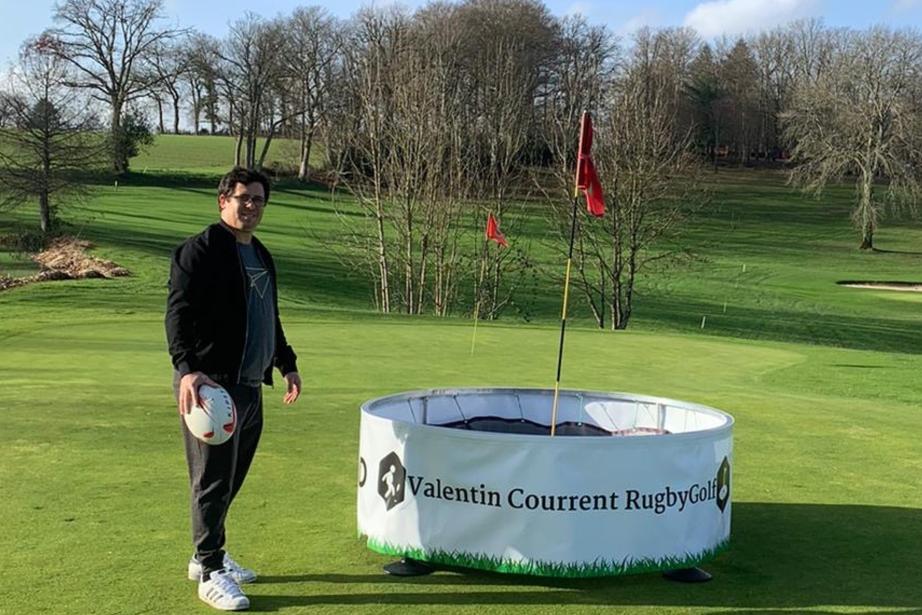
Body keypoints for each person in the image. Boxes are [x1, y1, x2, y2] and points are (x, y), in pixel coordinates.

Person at [165, 166, 302, 611]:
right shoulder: (199, 252)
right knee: (212, 479)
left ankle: (209, 553)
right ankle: (209, 570)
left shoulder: (260, 253)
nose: (251, 206)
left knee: (232, 477)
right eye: (243, 198)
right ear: (223, 200)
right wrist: (187, 370)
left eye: (258, 200)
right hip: (208, 386)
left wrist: (287, 362)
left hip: (249, 384)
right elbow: (178, 315)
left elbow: (269, 316)